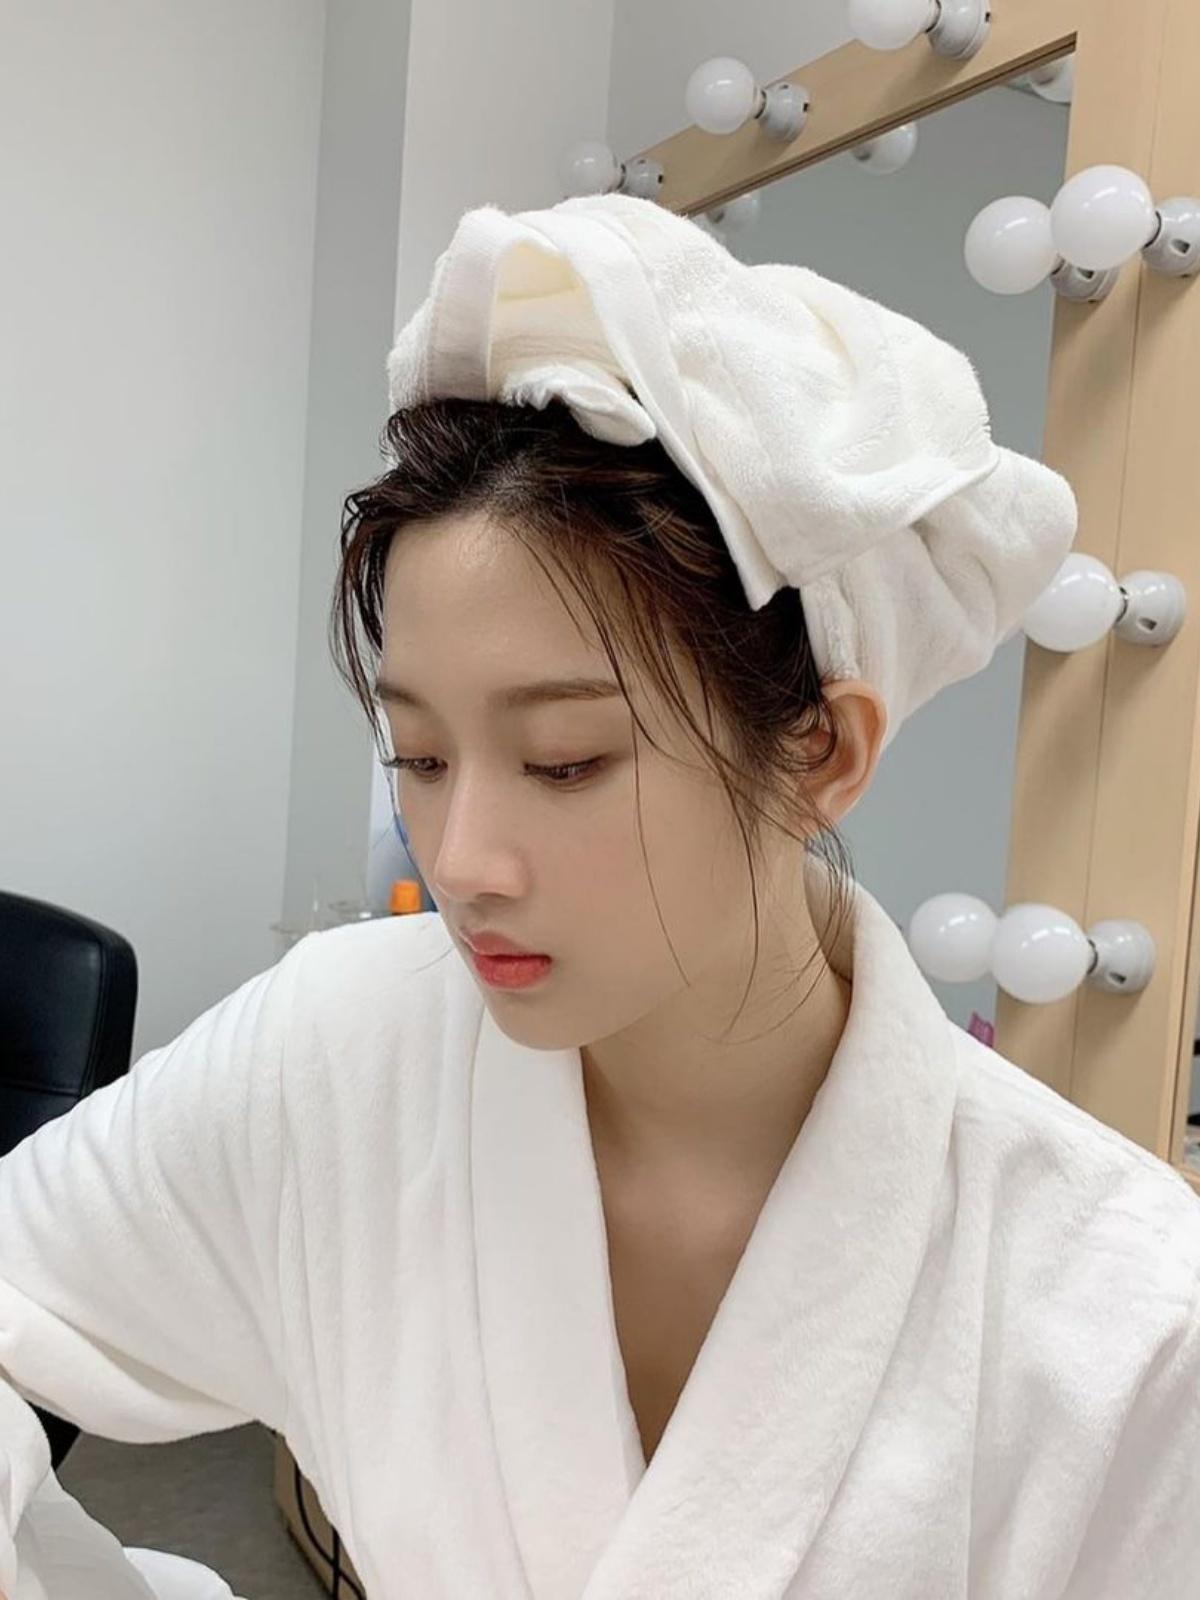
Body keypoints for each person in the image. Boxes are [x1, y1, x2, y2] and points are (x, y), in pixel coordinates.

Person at [2, 193, 1199, 1599]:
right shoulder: (336, 1052)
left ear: (820, 753)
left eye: (564, 761)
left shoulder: (1123, 1314)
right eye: (420, 757)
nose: (458, 860)